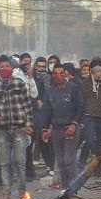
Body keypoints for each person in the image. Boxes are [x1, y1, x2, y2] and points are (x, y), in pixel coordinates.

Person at [0, 55, 34, 199]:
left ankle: (22, 195)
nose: (4, 69)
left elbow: (27, 106)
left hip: (19, 128)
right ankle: (7, 197)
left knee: (20, 162)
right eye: (1, 67)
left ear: (12, 68)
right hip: (2, 130)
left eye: (7, 66)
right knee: (4, 164)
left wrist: (29, 124)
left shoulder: (20, 84)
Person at [36, 63, 83, 191]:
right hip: (56, 130)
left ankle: (74, 188)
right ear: (52, 75)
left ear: (65, 74)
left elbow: (80, 108)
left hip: (70, 129)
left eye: (61, 73)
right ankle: (65, 189)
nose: (59, 76)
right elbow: (46, 112)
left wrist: (74, 124)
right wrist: (45, 129)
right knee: (61, 162)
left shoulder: (73, 88)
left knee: (69, 160)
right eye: (55, 73)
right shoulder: (49, 91)